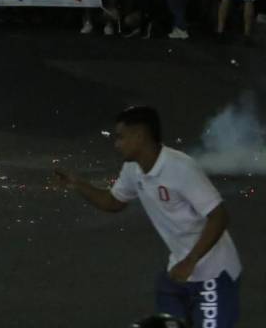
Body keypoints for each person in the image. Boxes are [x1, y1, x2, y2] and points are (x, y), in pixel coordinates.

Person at [55, 106, 241, 328]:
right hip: (177, 277)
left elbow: (219, 216)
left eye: (121, 137)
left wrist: (191, 261)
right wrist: (78, 184)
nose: (117, 144)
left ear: (139, 135)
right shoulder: (133, 170)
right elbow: (113, 202)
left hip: (213, 276)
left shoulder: (180, 168)